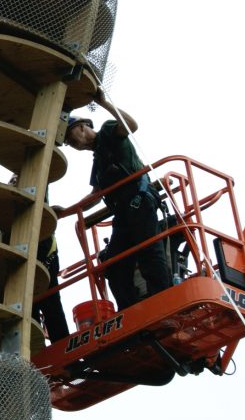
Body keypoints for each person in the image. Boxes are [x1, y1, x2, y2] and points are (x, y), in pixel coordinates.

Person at [64, 90, 170, 311]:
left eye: (69, 136)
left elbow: (131, 125)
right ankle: (131, 312)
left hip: (139, 201)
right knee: (114, 264)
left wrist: (103, 103)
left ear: (82, 126)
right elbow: (95, 196)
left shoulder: (108, 132)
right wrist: (64, 212)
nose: (71, 143)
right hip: (123, 213)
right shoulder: (98, 164)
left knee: (149, 251)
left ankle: (164, 301)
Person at [9, 174, 69, 342]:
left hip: (45, 254)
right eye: (12, 180)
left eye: (16, 179)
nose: (14, 181)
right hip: (29, 257)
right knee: (30, 306)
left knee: (50, 302)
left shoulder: (35, 191)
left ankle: (61, 344)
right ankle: (34, 349)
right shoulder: (12, 207)